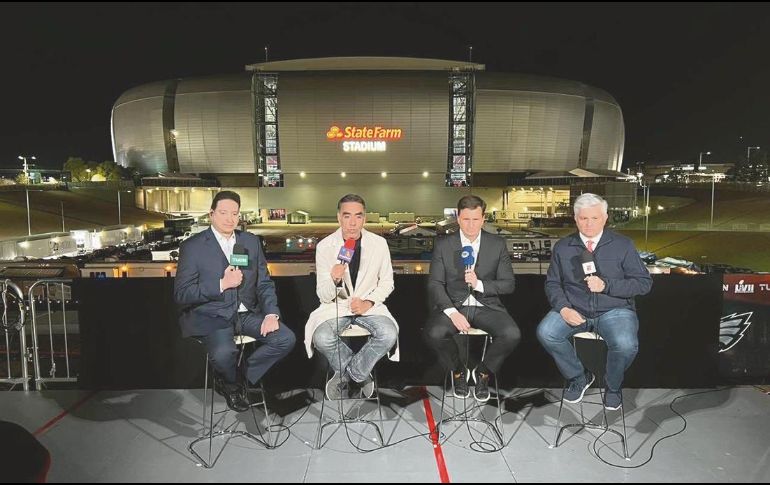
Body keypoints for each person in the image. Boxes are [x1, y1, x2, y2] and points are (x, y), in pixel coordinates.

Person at [174, 190, 296, 412]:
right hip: (213, 315)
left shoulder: (250, 241)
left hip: (246, 313)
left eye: (235, 214)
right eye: (223, 213)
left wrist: (271, 313)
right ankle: (231, 382)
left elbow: (264, 283)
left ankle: (235, 380)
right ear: (211, 214)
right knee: (223, 353)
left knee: (285, 339)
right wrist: (221, 284)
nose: (230, 219)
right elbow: (182, 293)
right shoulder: (192, 247)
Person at [536, 193, 652, 410]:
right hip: (574, 307)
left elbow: (643, 284)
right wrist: (563, 308)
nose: (589, 224)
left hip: (615, 309)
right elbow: (552, 284)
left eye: (595, 218)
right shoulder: (563, 247)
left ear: (605, 218)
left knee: (626, 345)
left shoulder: (623, 245)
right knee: (546, 332)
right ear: (575, 218)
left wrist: (606, 285)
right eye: (583, 218)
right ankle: (579, 377)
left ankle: (613, 387)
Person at [424, 195, 521, 402]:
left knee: (512, 334)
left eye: (475, 219)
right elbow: (435, 284)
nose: (470, 225)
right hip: (454, 305)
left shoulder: (497, 244)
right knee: (435, 333)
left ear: (483, 219)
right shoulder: (444, 244)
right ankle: (459, 371)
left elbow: (508, 284)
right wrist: (452, 313)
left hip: (487, 306)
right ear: (458, 218)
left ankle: (483, 372)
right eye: (466, 219)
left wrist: (479, 285)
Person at [305, 194, 399, 399]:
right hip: (337, 306)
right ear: (339, 217)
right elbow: (323, 294)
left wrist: (368, 302)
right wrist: (334, 279)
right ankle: (361, 374)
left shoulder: (379, 244)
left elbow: (387, 282)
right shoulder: (325, 246)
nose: (353, 223)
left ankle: (350, 374)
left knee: (389, 334)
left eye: (358, 216)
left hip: (369, 307)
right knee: (321, 337)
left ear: (364, 218)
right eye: (347, 216)